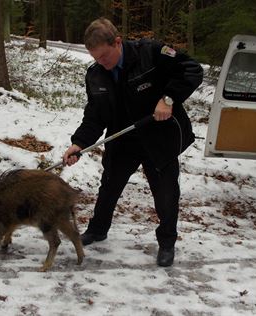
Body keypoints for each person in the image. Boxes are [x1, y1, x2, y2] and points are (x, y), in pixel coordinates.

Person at [62, 18, 203, 267]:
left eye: (105, 56)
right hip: (123, 137)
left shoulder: (151, 53)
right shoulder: (96, 75)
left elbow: (192, 69)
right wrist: (79, 143)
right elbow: (95, 114)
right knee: (109, 187)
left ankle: (167, 242)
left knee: (166, 194)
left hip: (158, 137)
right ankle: (98, 229)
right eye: (96, 59)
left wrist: (168, 99)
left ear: (117, 42)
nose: (101, 63)